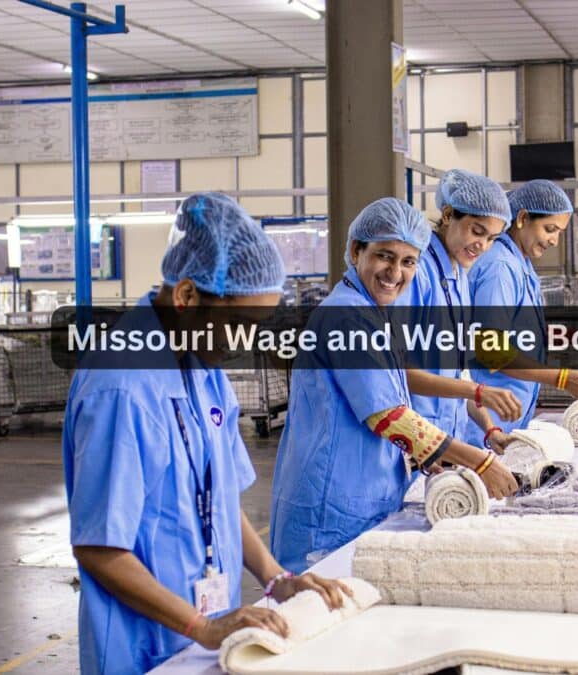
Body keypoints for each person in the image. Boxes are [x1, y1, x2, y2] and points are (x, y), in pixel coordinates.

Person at [63, 192, 350, 675]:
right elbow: (99, 548)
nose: (246, 342)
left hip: (209, 630)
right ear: (187, 296)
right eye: (239, 324)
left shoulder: (201, 364)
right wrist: (201, 626)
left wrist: (276, 578)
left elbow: (219, 499)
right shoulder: (122, 387)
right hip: (146, 645)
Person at [270, 197, 519, 574]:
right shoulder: (346, 317)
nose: (395, 272)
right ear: (356, 251)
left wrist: (429, 455)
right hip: (331, 508)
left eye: (408, 261)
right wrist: (478, 460)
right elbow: (389, 417)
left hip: (365, 497)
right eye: (385, 256)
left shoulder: (374, 315)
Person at [462, 180, 578, 445]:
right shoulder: (500, 268)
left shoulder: (521, 265)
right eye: (550, 229)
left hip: (507, 416)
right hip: (486, 423)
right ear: (523, 218)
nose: (554, 240)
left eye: (560, 232)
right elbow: (491, 349)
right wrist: (560, 377)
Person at [405, 169, 521, 451]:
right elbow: (399, 373)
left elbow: (460, 376)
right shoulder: (417, 273)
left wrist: (490, 428)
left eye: (492, 238)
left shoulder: (459, 280)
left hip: (445, 440)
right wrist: (479, 391)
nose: (483, 245)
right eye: (477, 231)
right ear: (447, 215)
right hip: (413, 440)